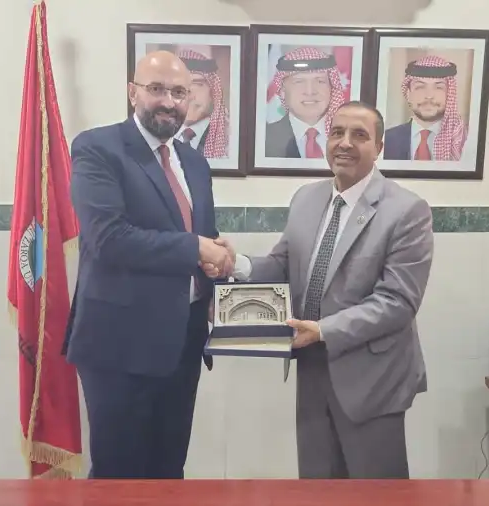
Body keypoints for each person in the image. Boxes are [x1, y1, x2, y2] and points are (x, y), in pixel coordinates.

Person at [216, 101, 434, 479]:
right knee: (316, 486)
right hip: (312, 370)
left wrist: (323, 330)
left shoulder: (407, 211)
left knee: (374, 492)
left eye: (359, 135)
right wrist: (235, 263)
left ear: (379, 147)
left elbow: (397, 302)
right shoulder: (306, 198)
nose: (345, 143)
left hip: (372, 379)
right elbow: (283, 264)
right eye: (337, 132)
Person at [65, 50, 232, 479]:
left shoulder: (194, 162)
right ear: (132, 92)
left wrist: (216, 262)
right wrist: (196, 248)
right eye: (156, 89)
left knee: (168, 471)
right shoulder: (97, 148)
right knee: (119, 476)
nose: (168, 101)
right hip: (119, 346)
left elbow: (198, 237)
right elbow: (108, 239)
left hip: (183, 342)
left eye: (179, 92)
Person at [265, 46, 346, 159]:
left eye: (320, 81)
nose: (310, 91)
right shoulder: (264, 138)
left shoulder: (348, 138)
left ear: (331, 88)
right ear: (282, 91)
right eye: (299, 81)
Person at [382, 55, 468, 161]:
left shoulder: (464, 141)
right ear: (408, 94)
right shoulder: (386, 140)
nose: (429, 96)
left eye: (438, 87)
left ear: (450, 94)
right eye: (420, 87)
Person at [174, 48, 229, 159]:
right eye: (180, 88)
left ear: (213, 92)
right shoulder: (156, 137)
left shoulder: (230, 140)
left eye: (198, 84)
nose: (189, 96)